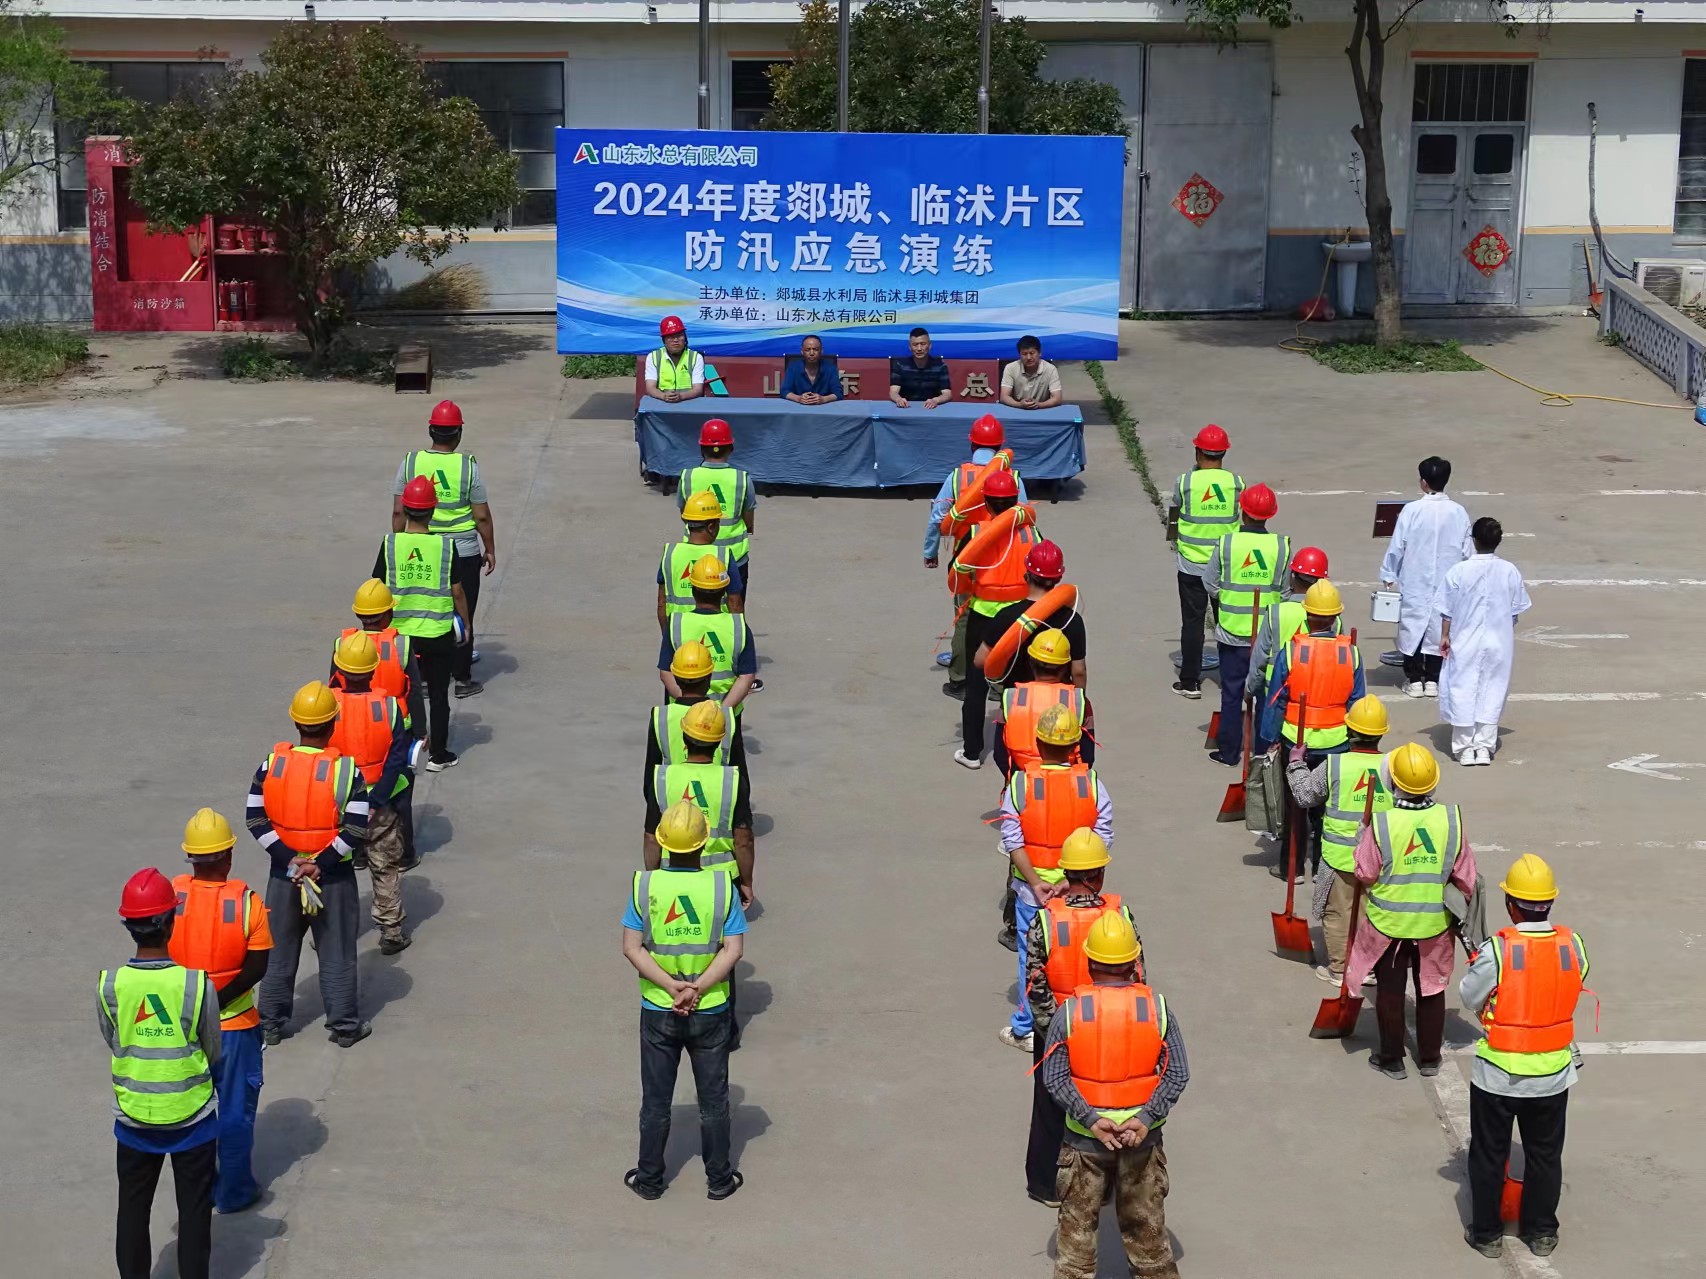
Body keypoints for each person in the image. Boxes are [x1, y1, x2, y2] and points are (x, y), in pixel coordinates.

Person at [1041, 913, 1187, 1279]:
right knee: (1149, 1244)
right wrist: (1144, 1119)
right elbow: (1177, 1073)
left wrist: (1092, 1120)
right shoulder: (1157, 1009)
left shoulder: (1070, 1011)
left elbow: (1054, 1077)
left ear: (1089, 962)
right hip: (1142, 1143)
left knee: (1076, 1249)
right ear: (1134, 961)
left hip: (1084, 1142)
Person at [1461, 855, 1587, 1260]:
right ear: (1550, 902)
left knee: (1488, 1155)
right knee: (1545, 1156)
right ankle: (1542, 1232)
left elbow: (1470, 996)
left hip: (1498, 1075)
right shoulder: (1572, 945)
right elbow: (1575, 980)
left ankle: (1487, 1235)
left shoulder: (1498, 950)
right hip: (1552, 1074)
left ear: (1510, 904)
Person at [622, 800, 747, 1202]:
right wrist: (697, 989)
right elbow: (733, 951)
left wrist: (673, 987)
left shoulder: (644, 886)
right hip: (710, 1010)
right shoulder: (721, 887)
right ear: (703, 843)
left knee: (656, 1101)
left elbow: (631, 948)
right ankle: (719, 1179)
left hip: (659, 1009)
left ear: (663, 843)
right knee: (714, 1101)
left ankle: (649, 1179)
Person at [101, 868, 222, 1279]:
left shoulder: (110, 985)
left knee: (133, 1210)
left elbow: (114, 1039)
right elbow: (213, 1047)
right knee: (194, 1213)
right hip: (192, 1118)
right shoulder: (196, 984)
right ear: (171, 922)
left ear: (128, 926)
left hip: (134, 1117)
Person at [248, 681, 372, 1048]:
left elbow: (255, 819)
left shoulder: (272, 764)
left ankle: (270, 1025)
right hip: (332, 878)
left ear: (296, 722)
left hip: (283, 876)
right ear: (333, 723)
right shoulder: (346, 771)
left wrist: (289, 860)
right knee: (337, 952)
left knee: (278, 952)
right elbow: (356, 826)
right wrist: (320, 863)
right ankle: (345, 1027)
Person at [1350, 742, 1478, 1081]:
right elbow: (1466, 878)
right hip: (1434, 925)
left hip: (1388, 926)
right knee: (1432, 990)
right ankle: (1430, 1058)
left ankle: (1391, 1059)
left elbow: (1365, 873)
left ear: (1393, 782)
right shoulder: (1450, 819)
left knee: (1390, 992)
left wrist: (1361, 840)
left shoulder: (1382, 823)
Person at [169, 809, 273, 1217]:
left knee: (189, 1112)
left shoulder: (171, 899)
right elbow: (257, 967)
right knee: (233, 1113)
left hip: (181, 1026)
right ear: (228, 856)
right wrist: (217, 1002)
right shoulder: (247, 904)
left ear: (191, 857)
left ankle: (198, 1190)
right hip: (234, 1028)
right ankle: (234, 1192)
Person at [1021, 829, 1131, 1207]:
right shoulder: (1119, 918)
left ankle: (1046, 1185)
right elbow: (1136, 976)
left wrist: (1056, 1032)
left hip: (1056, 1030)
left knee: (1050, 1107)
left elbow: (1035, 985)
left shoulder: (1045, 921)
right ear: (1100, 874)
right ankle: (1101, 1187)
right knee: (1103, 1106)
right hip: (1106, 1030)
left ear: (1066, 873)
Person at [998, 704, 1113, 1052]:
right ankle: (1082, 1021)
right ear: (1076, 745)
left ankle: (1026, 1028)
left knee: (1030, 959)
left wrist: (1036, 882)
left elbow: (1012, 840)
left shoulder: (1020, 784)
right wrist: (1070, 879)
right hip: (1078, 890)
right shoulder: (1091, 784)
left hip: (1031, 893)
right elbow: (1103, 836)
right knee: (1079, 956)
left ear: (1037, 743)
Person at [1284, 695, 1392, 981]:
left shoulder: (1334, 765)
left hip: (1339, 859)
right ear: (1381, 733)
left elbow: (1304, 795)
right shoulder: (1393, 766)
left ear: (1349, 730)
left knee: (1338, 914)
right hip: (1380, 860)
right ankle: (1369, 968)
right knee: (1373, 914)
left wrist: (1296, 764)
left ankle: (1340, 970)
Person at [393, 399, 495, 700]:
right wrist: (489, 548)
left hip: (425, 548)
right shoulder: (467, 466)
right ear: (458, 434)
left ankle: (424, 678)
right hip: (463, 550)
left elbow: (398, 511)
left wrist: (400, 542)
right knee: (463, 611)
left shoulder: (410, 462)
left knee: (425, 610)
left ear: (431, 431)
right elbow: (481, 515)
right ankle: (462, 678)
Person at [329, 632, 423, 955]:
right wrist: (377, 799)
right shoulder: (389, 707)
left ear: (340, 670)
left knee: (335, 871)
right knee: (385, 867)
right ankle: (391, 931)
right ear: (373, 670)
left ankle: (332, 931)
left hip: (338, 805)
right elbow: (397, 758)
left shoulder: (328, 706)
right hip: (380, 806)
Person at [926, 413, 1027, 692]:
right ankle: (1000, 684)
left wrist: (930, 551)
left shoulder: (958, 476)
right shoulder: (1013, 477)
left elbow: (937, 517)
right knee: (1005, 617)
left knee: (964, 617)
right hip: (1007, 556)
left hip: (967, 554)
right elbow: (1024, 518)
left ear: (972, 444)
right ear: (1000, 446)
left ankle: (960, 679)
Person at [374, 476, 470, 772]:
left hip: (399, 636)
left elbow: (377, 587)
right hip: (436, 633)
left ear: (404, 508)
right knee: (438, 695)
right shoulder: (445, 546)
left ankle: (398, 749)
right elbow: (457, 592)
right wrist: (466, 625)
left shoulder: (391, 544)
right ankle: (438, 755)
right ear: (433, 510)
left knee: (396, 693)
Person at [948, 469, 1040, 767]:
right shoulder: (1031, 533)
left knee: (976, 686)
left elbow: (956, 575)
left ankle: (972, 752)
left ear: (986, 502)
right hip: (1020, 618)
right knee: (1020, 684)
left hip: (983, 616)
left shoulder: (976, 534)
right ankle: (1023, 748)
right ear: (1015, 500)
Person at [1436, 517, 1532, 767]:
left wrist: (1445, 635)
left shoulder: (1459, 571)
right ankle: (1484, 746)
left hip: (1465, 639)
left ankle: (1464, 747)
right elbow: (1516, 609)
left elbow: (1447, 610)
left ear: (1474, 541)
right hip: (1499, 641)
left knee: (1463, 687)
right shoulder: (1509, 570)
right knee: (1493, 688)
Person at [1205, 483, 1289, 766]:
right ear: (1270, 515)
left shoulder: (1227, 543)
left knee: (1231, 694)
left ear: (1242, 511)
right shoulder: (1281, 546)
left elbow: (1209, 583)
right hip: (1268, 636)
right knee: (1265, 695)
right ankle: (1262, 755)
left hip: (1231, 633)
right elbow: (1285, 591)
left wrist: (1229, 598)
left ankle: (1229, 752)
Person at [644, 700, 756, 907]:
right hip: (722, 879)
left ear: (684, 740)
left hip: (672, 872)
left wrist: (654, 879)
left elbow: (651, 838)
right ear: (719, 742)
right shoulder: (731, 780)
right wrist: (746, 882)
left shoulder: (662, 778)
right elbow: (743, 840)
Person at [1380, 455, 1472, 698]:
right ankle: (1433, 679)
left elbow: (1397, 545)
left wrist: (1389, 572)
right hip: (1447, 581)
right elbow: (1467, 551)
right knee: (1441, 624)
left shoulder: (1411, 510)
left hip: (1415, 580)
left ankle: (1414, 680)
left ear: (1423, 482)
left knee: (1412, 625)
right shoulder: (1459, 512)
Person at [1168, 425, 1244, 699]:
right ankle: (1232, 678)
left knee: (1192, 622)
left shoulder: (1185, 482)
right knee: (1227, 621)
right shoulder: (1236, 483)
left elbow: (1176, 509)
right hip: (1224, 566)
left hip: (1192, 565)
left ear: (1197, 452)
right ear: (1224, 453)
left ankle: (1190, 682)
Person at [1245, 546, 1332, 754]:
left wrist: (1250, 689)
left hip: (1273, 696)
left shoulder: (1276, 612)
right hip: (1315, 699)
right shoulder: (1331, 617)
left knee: (1267, 757)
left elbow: (1260, 658)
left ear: (1292, 577)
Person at [976, 538, 1086, 693]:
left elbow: (980, 660)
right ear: (1059, 578)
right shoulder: (1072, 620)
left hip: (1017, 699)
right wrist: (1080, 700)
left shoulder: (1007, 616)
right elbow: (1079, 670)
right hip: (1058, 701)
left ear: (1027, 575)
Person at [660, 556, 758, 721]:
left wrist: (688, 705)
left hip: (682, 716)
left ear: (693, 589)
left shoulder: (676, 623)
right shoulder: (738, 626)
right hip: (726, 718)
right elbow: (746, 676)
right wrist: (721, 712)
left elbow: (665, 672)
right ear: (724, 590)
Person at [646, 641, 745, 794]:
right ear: (709, 678)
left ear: (676, 678)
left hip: (672, 802)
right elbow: (740, 778)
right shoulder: (726, 717)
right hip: (717, 799)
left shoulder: (661, 717)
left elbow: (651, 780)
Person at [993, 629, 1091, 778]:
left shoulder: (1011, 698)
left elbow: (1000, 753)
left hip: (1021, 776)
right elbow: (1088, 755)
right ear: (1065, 667)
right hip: (1067, 781)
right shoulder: (1079, 701)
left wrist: (1017, 780)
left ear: (1031, 663)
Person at [678, 419, 757, 598]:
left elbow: (684, 515)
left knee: (700, 603)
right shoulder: (741, 479)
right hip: (735, 557)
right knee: (734, 605)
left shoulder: (688, 477)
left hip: (696, 554)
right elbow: (749, 518)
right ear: (731, 448)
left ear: (701, 449)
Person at [659, 490, 745, 630]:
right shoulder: (723, 555)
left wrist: (668, 636)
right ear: (711, 527)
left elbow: (662, 603)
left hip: (680, 631)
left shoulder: (670, 553)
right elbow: (735, 604)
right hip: (717, 631)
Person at [644, 314, 706, 402]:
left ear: (685, 338)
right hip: (660, 402)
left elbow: (698, 389)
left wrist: (681, 396)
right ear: (664, 340)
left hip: (689, 402)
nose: (676, 340)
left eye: (679, 335)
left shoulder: (696, 357)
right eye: (671, 336)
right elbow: (650, 388)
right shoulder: (653, 357)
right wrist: (663, 396)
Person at [889, 326, 952, 409]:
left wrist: (936, 400)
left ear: (930, 346)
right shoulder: (900, 365)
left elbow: (947, 394)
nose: (919, 348)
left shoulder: (940, 365)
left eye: (923, 344)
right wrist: (898, 399)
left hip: (931, 409)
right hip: (906, 408)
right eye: (915, 345)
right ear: (910, 347)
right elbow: (893, 392)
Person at [1000, 334, 1065, 410]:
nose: (1028, 357)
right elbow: (1004, 397)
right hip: (1017, 409)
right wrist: (1019, 404)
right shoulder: (1010, 368)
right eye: (1024, 354)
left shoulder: (1050, 369)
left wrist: (1040, 405)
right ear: (1019, 355)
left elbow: (1057, 398)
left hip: (1043, 409)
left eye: (1032, 353)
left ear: (1039, 353)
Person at [781, 333, 843, 404]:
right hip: (798, 408)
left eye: (815, 349)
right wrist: (798, 398)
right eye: (807, 350)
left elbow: (838, 393)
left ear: (821, 351)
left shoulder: (830, 368)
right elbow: (784, 391)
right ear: (802, 351)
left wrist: (824, 399)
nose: (812, 353)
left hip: (824, 408)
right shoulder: (793, 367)